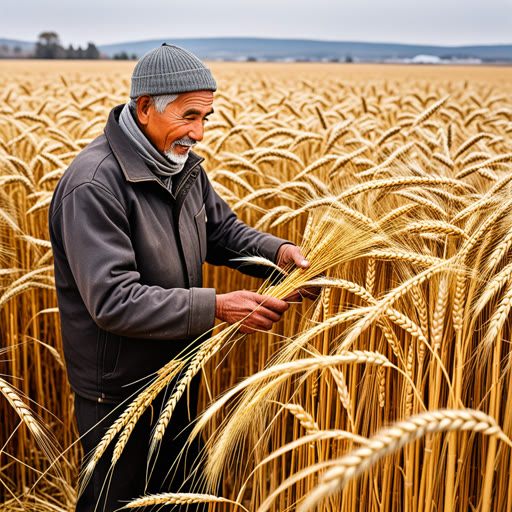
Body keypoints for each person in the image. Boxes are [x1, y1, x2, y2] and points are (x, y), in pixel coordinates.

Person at [48, 43, 310, 511]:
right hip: (119, 392)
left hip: (177, 373)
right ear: (145, 107)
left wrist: (278, 255)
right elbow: (113, 299)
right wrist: (217, 308)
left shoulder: (180, 166)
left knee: (182, 501)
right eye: (189, 116)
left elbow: (220, 231)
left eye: (206, 118)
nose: (200, 133)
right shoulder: (95, 184)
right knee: (118, 504)